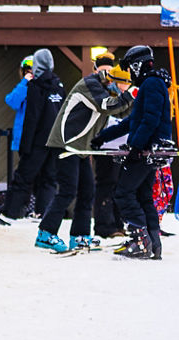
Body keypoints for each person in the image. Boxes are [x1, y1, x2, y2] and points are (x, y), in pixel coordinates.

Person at [35, 54, 135, 252]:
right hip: (66, 142)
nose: (125, 90)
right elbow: (107, 106)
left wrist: (135, 97)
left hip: (81, 147)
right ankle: (45, 233)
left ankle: (80, 236)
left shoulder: (108, 89)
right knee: (68, 190)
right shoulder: (90, 84)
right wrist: (132, 94)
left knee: (87, 191)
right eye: (125, 86)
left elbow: (120, 112)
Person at [92, 45, 172, 259]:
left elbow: (150, 119)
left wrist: (136, 146)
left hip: (147, 149)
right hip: (148, 148)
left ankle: (140, 240)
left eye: (129, 68)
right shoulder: (150, 84)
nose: (129, 73)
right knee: (142, 194)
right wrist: (103, 137)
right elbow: (132, 122)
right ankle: (153, 243)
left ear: (138, 65)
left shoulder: (152, 84)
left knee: (123, 193)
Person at [0, 49, 64, 221]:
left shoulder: (42, 87)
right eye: (26, 69)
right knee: (39, 177)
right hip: (37, 139)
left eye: (32, 67)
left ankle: (16, 211)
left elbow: (34, 116)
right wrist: (24, 84)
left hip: (34, 140)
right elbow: (12, 101)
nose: (30, 72)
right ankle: (34, 210)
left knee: (32, 176)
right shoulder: (34, 86)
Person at [93, 65, 133, 238]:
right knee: (106, 185)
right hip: (106, 147)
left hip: (122, 148)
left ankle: (118, 223)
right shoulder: (107, 96)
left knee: (118, 186)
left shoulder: (129, 98)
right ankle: (105, 226)